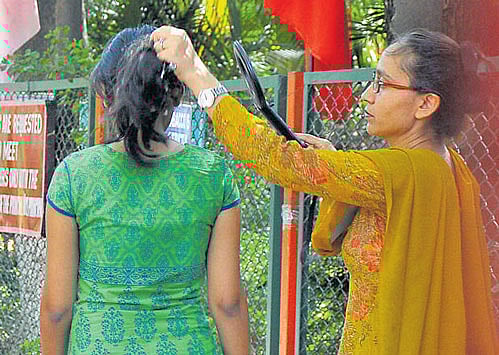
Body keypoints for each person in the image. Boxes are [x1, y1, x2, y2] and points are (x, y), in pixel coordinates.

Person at [151, 26, 498, 354]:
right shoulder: (444, 166)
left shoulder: (403, 171)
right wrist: (335, 165)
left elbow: (273, 158)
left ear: (426, 104)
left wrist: (195, 74)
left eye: (382, 84)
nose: (367, 96)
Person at [40, 25, 249, 355]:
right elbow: (228, 304)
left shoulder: (73, 176)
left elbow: (57, 309)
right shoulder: (212, 175)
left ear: (108, 96)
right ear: (178, 93)